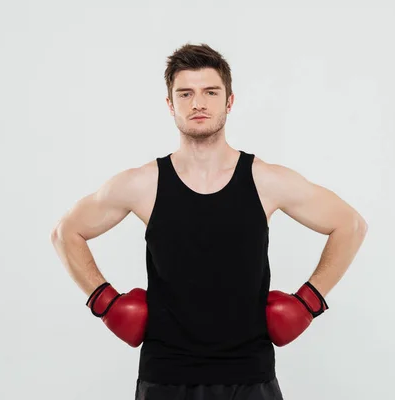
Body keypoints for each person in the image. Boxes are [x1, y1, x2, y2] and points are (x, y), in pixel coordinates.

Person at [51, 43, 368, 400]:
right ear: (170, 105)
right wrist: (104, 301)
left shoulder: (266, 180)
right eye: (185, 94)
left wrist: (309, 301)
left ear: (229, 101)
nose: (197, 103)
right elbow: (67, 232)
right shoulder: (142, 184)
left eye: (210, 92)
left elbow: (350, 225)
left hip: (250, 377)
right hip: (165, 376)